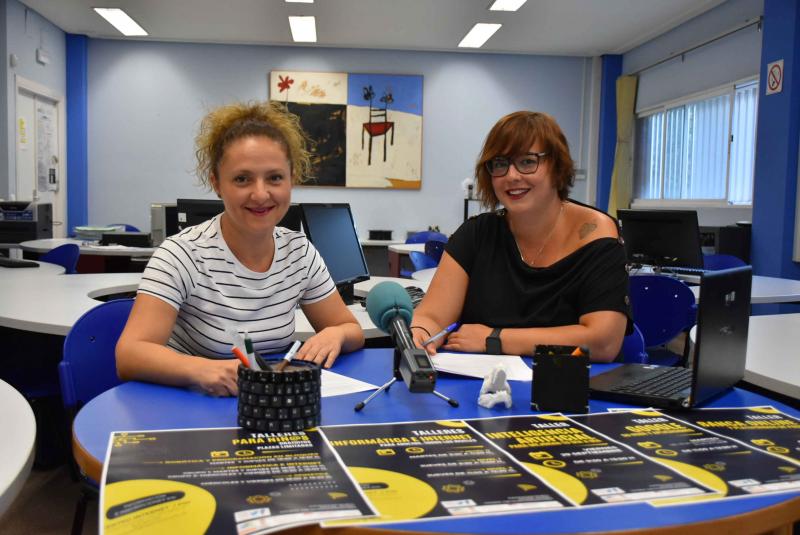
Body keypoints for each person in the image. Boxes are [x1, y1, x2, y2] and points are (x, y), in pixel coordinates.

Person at [117, 101, 364, 396]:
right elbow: (130, 354)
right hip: (194, 407)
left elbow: (350, 329)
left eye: (274, 177)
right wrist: (201, 369)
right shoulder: (181, 255)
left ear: (291, 180)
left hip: (266, 405)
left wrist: (335, 334)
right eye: (242, 179)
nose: (260, 194)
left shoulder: (299, 252)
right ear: (217, 183)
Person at [410, 111, 631, 362]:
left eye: (527, 161)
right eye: (500, 164)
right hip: (480, 389)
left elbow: (603, 342)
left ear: (557, 166)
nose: (512, 176)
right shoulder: (476, 234)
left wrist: (494, 338)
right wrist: (420, 333)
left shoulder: (597, 234)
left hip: (566, 389)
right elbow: (432, 317)